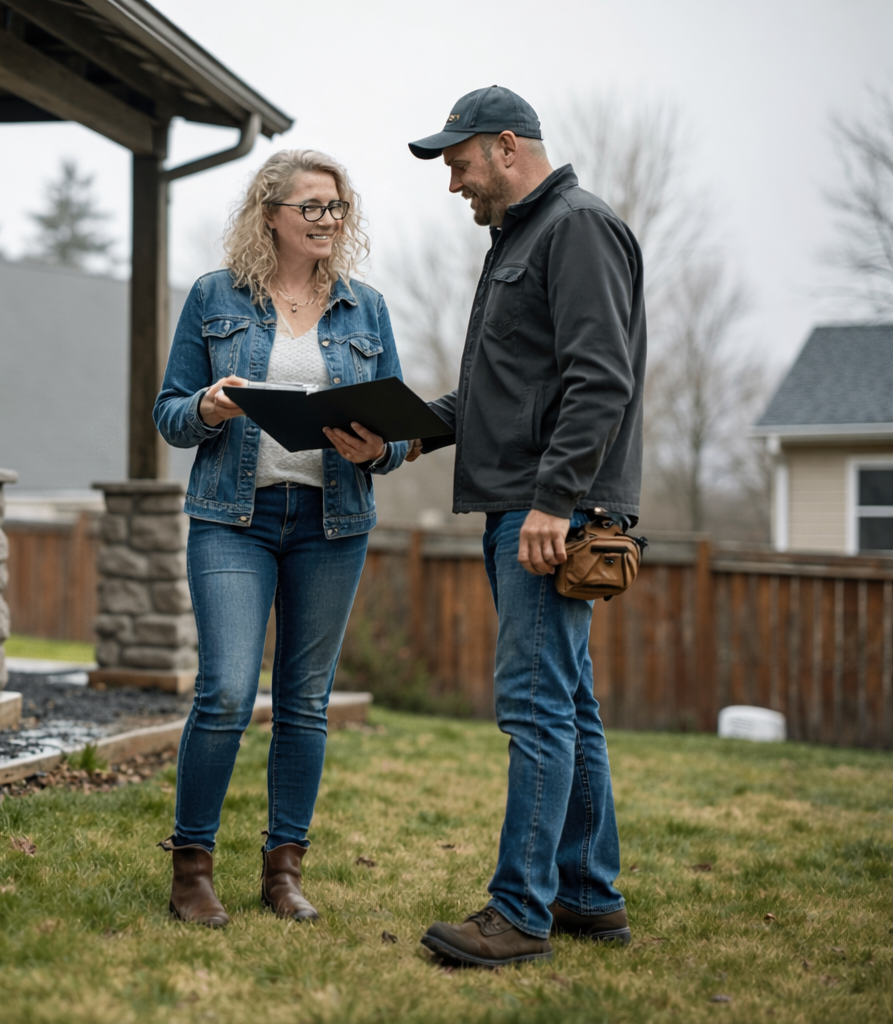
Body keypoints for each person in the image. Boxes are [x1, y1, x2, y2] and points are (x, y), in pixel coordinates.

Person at [404, 86, 646, 966]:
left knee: (537, 710)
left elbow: (600, 379)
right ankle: (588, 896)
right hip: (527, 501)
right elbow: (494, 398)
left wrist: (555, 501)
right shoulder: (522, 239)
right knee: (569, 707)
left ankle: (520, 914)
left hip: (549, 513)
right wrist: (403, 435)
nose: (454, 181)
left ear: (507, 147)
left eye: (459, 162)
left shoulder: (574, 227)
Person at [153, 150, 419, 928]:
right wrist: (210, 405)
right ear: (270, 214)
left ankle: (283, 871)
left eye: (337, 207)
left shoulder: (364, 308)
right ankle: (192, 870)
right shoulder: (214, 297)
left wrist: (382, 449)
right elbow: (172, 415)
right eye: (313, 207)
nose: (329, 220)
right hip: (233, 519)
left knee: (304, 703)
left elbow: (397, 428)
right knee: (229, 692)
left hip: (332, 523)